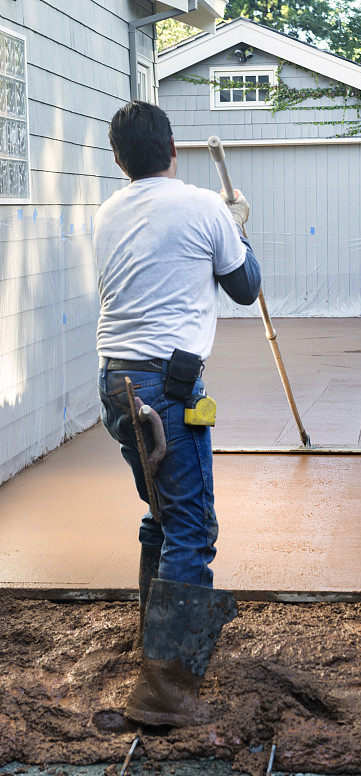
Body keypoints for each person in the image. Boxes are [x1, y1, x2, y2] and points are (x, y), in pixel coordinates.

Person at [93, 101, 261, 728]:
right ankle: (165, 694)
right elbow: (244, 287)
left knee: (160, 516)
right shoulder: (202, 207)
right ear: (171, 151)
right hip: (168, 391)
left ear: (120, 160)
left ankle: (154, 648)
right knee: (192, 529)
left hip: (116, 386)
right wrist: (238, 228)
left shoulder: (108, 213)